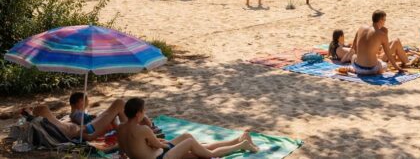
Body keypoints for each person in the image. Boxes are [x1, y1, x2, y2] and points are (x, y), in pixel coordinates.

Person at [117, 97, 258, 159]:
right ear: (138, 113)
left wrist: (157, 144)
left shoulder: (120, 128)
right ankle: (241, 144)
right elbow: (159, 146)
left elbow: (123, 151)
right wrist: (163, 143)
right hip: (162, 157)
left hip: (158, 153)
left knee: (188, 138)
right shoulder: (143, 130)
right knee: (206, 153)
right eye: (143, 111)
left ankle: (238, 139)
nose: (144, 113)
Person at [29, 92, 138, 141]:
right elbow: (88, 136)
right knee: (119, 103)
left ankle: (128, 131)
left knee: (115, 108)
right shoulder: (61, 128)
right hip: (88, 130)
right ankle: (130, 133)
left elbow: (40, 111)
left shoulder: (54, 124)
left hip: (87, 128)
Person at [350, 10, 407, 76]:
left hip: (357, 68)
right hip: (371, 70)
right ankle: (378, 71)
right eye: (384, 20)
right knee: (383, 64)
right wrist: (398, 68)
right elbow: (388, 54)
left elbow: (354, 47)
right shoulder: (382, 35)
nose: (384, 23)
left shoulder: (361, 28)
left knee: (354, 56)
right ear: (380, 20)